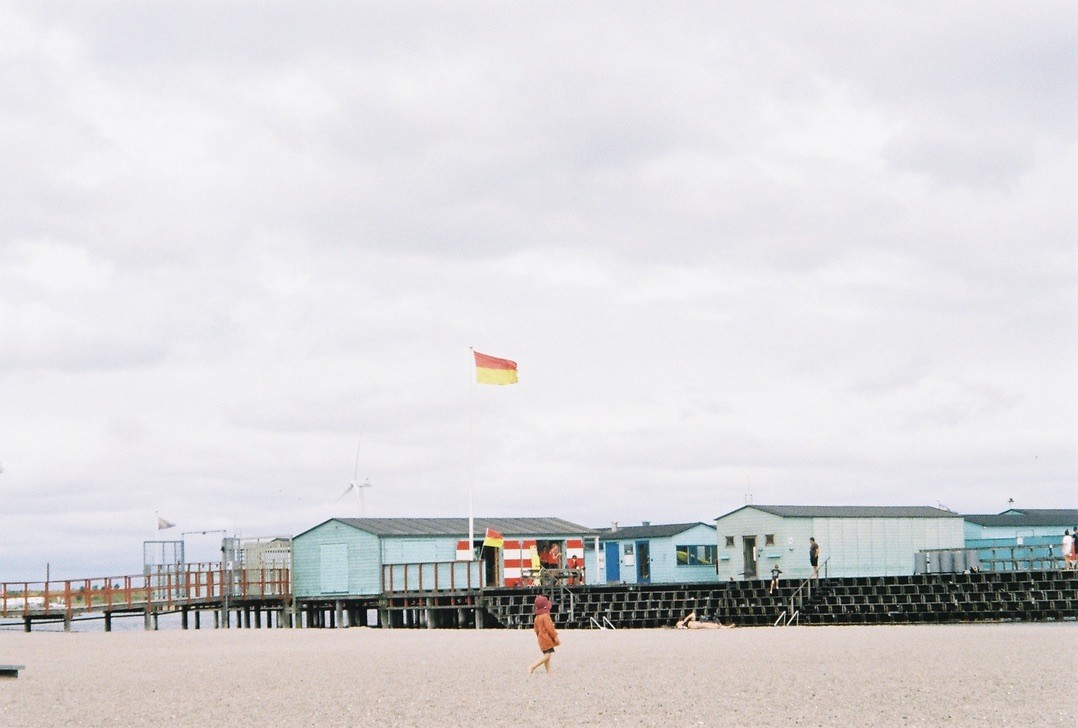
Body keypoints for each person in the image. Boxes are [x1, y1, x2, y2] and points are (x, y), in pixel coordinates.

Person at [528, 595, 560, 674]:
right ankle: (533, 666)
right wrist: (555, 636)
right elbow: (550, 628)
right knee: (547, 655)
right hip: (546, 638)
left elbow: (535, 629)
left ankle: (549, 672)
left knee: (547, 656)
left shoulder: (537, 617)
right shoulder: (545, 616)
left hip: (540, 638)